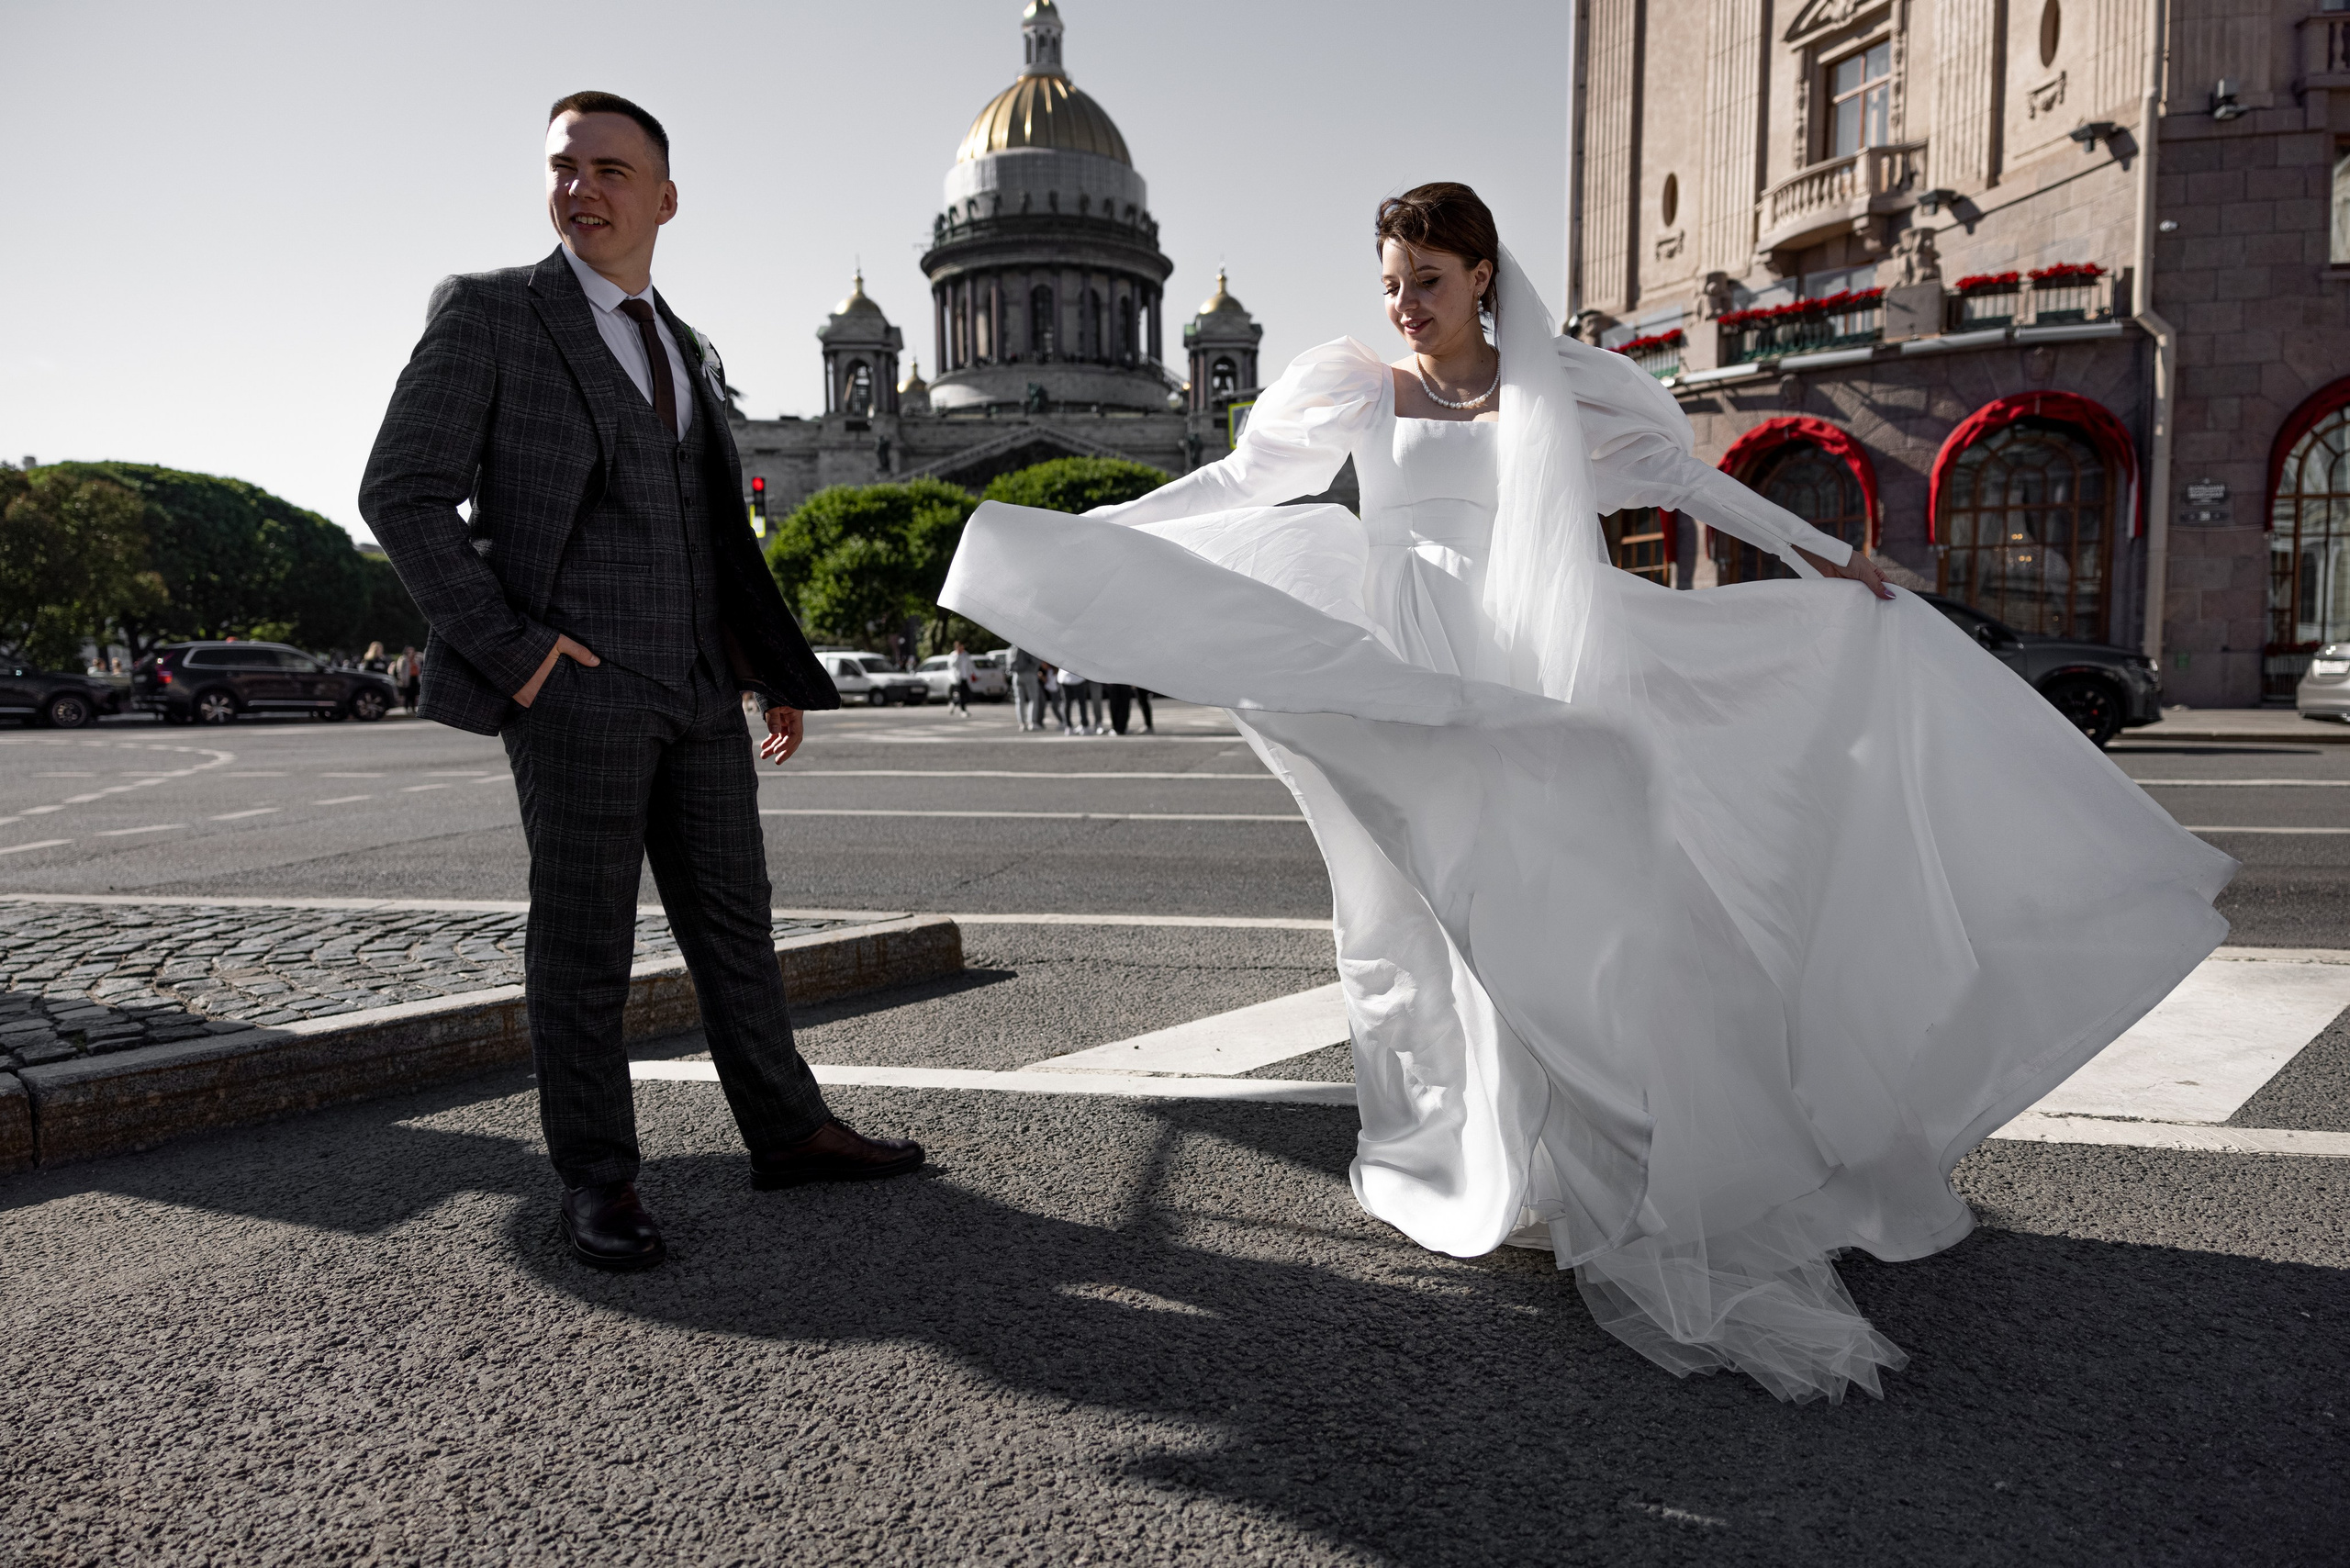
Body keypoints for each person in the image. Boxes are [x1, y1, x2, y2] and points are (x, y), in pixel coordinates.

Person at [943, 183, 2232, 1403]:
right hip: (1405, 690)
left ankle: (1605, 1166)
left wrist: (1830, 554)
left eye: (1427, 281)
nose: (1404, 304)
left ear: (1483, 275)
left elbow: (1682, 484)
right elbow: (1238, 488)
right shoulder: (1354, 393)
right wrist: (1097, 546)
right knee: (1417, 930)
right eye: (1392, 283)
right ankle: (1486, 1167)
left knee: (1564, 921)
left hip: (1521, 687)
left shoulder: (1559, 397)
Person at [360, 91, 926, 1273]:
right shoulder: (489, 313)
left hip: (696, 686)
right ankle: (599, 1179)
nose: (585, 188)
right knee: (585, 945)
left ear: (664, 199)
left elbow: (712, 529)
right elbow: (401, 493)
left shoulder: (683, 340)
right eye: (566, 167)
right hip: (574, 690)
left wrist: (762, 666)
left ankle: (789, 1128)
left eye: (613, 169)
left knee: (736, 926)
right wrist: (516, 650)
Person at [1009, 645, 1044, 732]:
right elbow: (1034, 660)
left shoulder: (1012, 646)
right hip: (1029, 673)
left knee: (1019, 700)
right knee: (1033, 699)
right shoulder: (1027, 644)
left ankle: (1022, 724)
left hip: (1016, 674)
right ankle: (1032, 722)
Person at [1059, 666, 1101, 735]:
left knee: (1067, 703)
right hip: (1077, 677)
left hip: (1065, 677)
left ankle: (1069, 726)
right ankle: (1084, 726)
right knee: (1080, 703)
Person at [947, 639, 975, 717]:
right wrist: (957, 655)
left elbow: (970, 665)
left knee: (965, 694)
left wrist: (972, 674)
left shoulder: (966, 654)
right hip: (956, 678)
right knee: (961, 694)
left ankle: (953, 703)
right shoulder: (953, 655)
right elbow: (952, 665)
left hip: (965, 677)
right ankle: (963, 710)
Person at [395, 646, 423, 715]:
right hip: (407, 678)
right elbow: (400, 670)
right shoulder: (403, 659)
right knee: (407, 694)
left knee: (414, 694)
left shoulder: (416, 659)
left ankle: (413, 708)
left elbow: (423, 657)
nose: (411, 653)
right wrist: (402, 679)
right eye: (409, 651)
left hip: (415, 678)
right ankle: (406, 708)